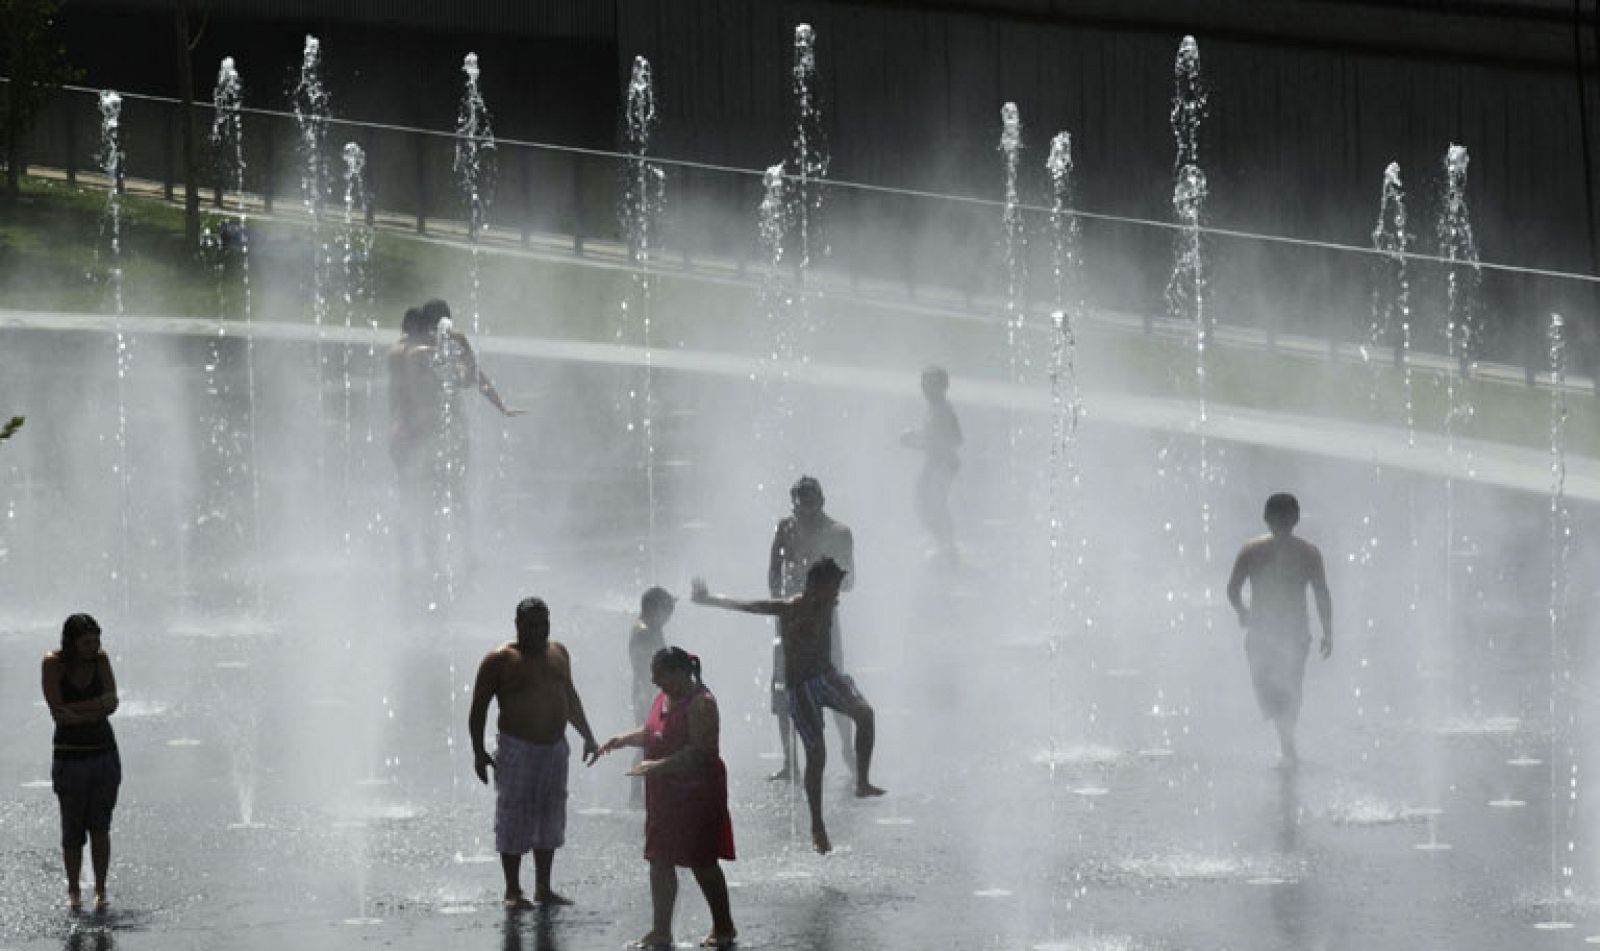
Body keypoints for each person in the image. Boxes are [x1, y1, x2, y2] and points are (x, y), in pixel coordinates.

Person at [692, 558, 884, 855]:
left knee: (866, 714)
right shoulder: (791, 607)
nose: (838, 593)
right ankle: (817, 825)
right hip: (801, 685)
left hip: (826, 675)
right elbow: (751, 606)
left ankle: (862, 781)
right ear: (817, 586)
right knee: (817, 753)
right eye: (834, 586)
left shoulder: (828, 605)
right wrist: (708, 599)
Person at [595, 647, 736, 949]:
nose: (658, 686)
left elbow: (702, 753)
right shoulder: (665, 697)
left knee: (702, 862)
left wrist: (658, 766)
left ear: (680, 672)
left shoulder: (702, 704)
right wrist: (620, 740)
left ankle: (724, 927)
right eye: (656, 681)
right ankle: (661, 930)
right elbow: (652, 732)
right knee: (659, 859)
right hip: (665, 795)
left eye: (662, 679)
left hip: (697, 793)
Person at [468, 597, 601, 907]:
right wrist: (477, 751)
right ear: (517, 625)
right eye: (530, 626)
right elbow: (478, 709)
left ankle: (544, 886)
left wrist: (588, 736)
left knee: (550, 816)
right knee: (513, 814)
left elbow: (569, 695)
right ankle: (512, 889)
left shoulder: (559, 652)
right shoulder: (499, 660)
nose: (538, 632)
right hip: (518, 748)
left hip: (555, 747)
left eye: (543, 625)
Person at [387, 300, 522, 581]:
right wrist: (459, 340)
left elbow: (470, 377)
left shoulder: (403, 350)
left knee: (420, 497)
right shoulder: (419, 353)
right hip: (424, 437)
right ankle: (444, 558)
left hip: (407, 434)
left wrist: (501, 406)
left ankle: (419, 560)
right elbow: (464, 375)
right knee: (440, 497)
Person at [1225, 493, 1333, 767]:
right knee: (1289, 685)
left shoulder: (1252, 550)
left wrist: (1242, 612)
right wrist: (1327, 631)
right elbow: (1322, 594)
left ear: (1266, 518)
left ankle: (1287, 745)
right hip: (1292, 631)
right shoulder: (1307, 552)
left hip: (1265, 630)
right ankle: (1287, 741)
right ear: (1296, 519)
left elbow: (1232, 589)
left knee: (1272, 685)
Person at [766, 475, 855, 781]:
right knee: (783, 688)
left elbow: (851, 581)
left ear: (822, 503)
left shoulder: (839, 533)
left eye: (810, 510)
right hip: (790, 622)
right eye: (799, 510)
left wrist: (821, 585)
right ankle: (790, 761)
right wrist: (783, 606)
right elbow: (772, 575)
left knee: (833, 683)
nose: (804, 517)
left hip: (824, 622)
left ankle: (848, 750)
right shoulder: (785, 527)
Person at [41, 613, 121, 912]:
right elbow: (58, 712)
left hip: (104, 755)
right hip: (70, 757)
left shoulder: (100, 660)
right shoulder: (53, 663)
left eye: (96, 640)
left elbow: (112, 701)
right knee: (72, 828)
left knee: (101, 826)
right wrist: (96, 708)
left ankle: (101, 889)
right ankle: (74, 890)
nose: (93, 646)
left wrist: (80, 713)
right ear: (71, 642)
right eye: (87, 642)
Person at [899, 365, 962, 558]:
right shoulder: (936, 408)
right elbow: (935, 435)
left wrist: (917, 441)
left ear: (942, 387)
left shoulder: (943, 410)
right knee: (924, 501)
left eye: (929, 385)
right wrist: (917, 437)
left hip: (943, 464)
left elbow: (954, 438)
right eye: (923, 384)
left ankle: (947, 546)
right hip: (936, 462)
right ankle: (939, 539)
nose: (924, 389)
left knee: (934, 503)